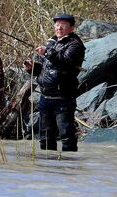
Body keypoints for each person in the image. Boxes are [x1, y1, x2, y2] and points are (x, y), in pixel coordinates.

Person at [24, 14, 85, 152]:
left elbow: (66, 62)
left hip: (63, 97)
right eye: (57, 25)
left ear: (71, 28)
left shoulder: (75, 45)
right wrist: (33, 68)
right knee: (45, 137)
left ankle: (69, 167)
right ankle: (48, 169)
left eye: (63, 25)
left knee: (66, 135)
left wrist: (47, 52)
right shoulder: (52, 42)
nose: (59, 28)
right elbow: (49, 69)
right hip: (45, 97)